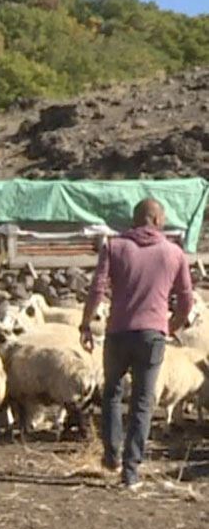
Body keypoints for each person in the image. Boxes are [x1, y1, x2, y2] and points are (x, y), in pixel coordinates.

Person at [79, 198, 194, 491]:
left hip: (118, 332)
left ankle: (111, 456)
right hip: (152, 335)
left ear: (135, 219)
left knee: (112, 394)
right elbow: (186, 300)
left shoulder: (114, 246)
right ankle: (131, 471)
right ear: (156, 219)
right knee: (143, 402)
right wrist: (171, 326)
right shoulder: (174, 253)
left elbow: (97, 288)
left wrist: (85, 323)